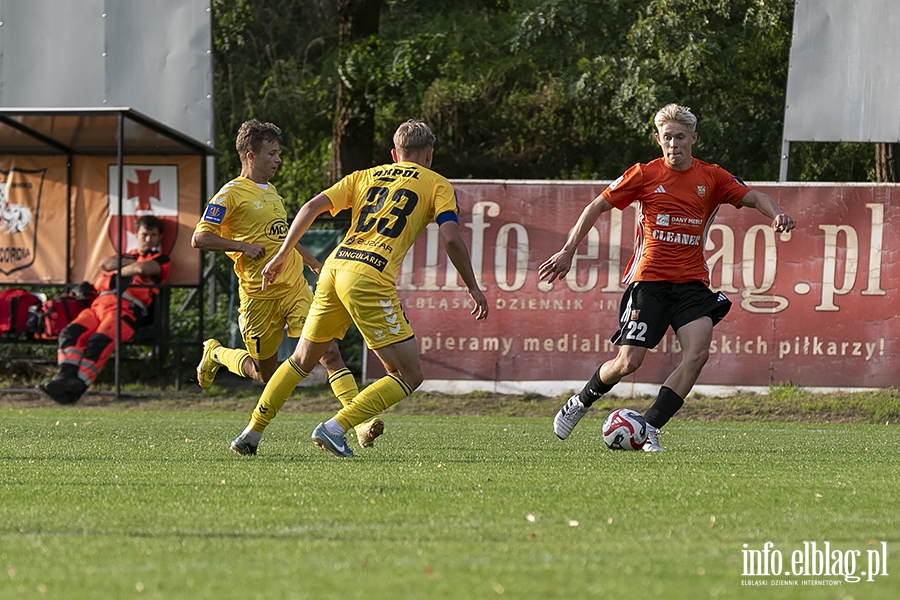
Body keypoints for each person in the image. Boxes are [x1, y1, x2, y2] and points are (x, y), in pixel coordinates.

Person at [539, 103, 796, 452]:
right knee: (628, 363)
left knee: (698, 353)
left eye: (679, 137)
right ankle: (580, 402)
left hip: (691, 284)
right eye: (666, 138)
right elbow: (596, 205)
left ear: (693, 138)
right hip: (649, 282)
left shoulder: (713, 177)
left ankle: (650, 427)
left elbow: (755, 197)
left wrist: (777, 213)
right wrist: (568, 250)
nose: (673, 144)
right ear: (658, 139)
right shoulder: (644, 174)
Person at [229, 119, 489, 457]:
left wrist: (282, 253)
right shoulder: (438, 184)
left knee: (300, 360)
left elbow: (310, 208)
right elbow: (452, 238)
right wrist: (472, 286)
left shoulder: (366, 175)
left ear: (395, 153)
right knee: (409, 374)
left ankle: (250, 434)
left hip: (335, 268)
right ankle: (335, 428)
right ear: (429, 154)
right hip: (370, 276)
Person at [191, 120, 381, 449]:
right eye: (272, 153)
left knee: (330, 352)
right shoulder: (230, 193)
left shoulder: (274, 194)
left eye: (279, 153)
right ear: (250, 155)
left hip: (294, 288)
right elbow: (199, 237)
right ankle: (216, 353)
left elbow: (283, 240)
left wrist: (311, 262)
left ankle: (359, 422)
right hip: (259, 296)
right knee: (265, 374)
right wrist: (242, 247)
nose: (278, 160)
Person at [37, 215, 171, 404]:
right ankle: (65, 378)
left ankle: (77, 385)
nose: (148, 239)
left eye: (153, 235)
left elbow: (143, 269)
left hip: (125, 310)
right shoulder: (123, 256)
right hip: (98, 306)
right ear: (136, 234)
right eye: (145, 234)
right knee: (71, 333)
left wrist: (123, 268)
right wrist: (130, 266)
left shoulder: (162, 259)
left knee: (99, 342)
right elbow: (105, 264)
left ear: (159, 237)